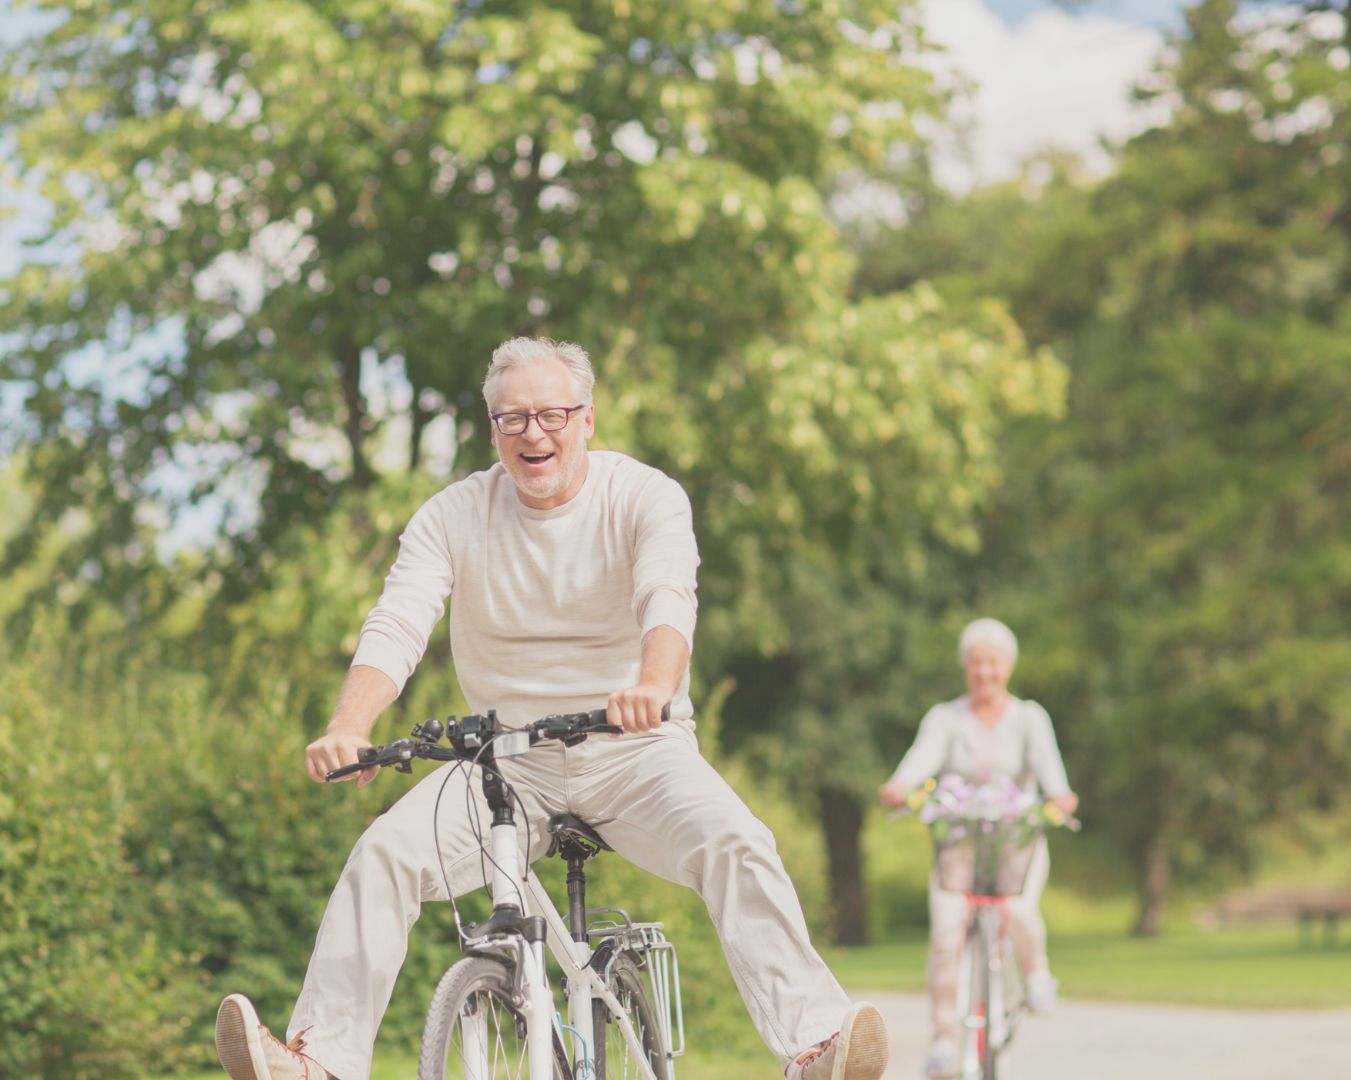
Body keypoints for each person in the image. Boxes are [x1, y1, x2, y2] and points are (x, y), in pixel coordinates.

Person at [213, 337, 889, 1080]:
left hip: (637, 752)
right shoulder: (453, 514)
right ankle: (322, 1064)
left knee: (736, 842)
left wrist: (653, 687)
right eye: (513, 419)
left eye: (551, 415)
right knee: (382, 857)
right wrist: (349, 728)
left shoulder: (643, 496)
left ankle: (813, 1046)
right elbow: (398, 620)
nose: (533, 433)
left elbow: (667, 596)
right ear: (492, 430)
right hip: (506, 764)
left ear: (587, 420)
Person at [878, 618, 1077, 1080]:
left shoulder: (1030, 718)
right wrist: (900, 785)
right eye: (975, 664)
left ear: (1007, 667)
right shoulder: (945, 718)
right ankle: (944, 1041)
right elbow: (919, 761)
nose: (984, 672)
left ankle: (1036, 975)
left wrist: (1060, 797)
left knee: (1020, 911)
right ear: (965, 668)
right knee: (947, 933)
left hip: (1016, 842)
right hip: (960, 844)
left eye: (993, 663)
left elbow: (1053, 775)